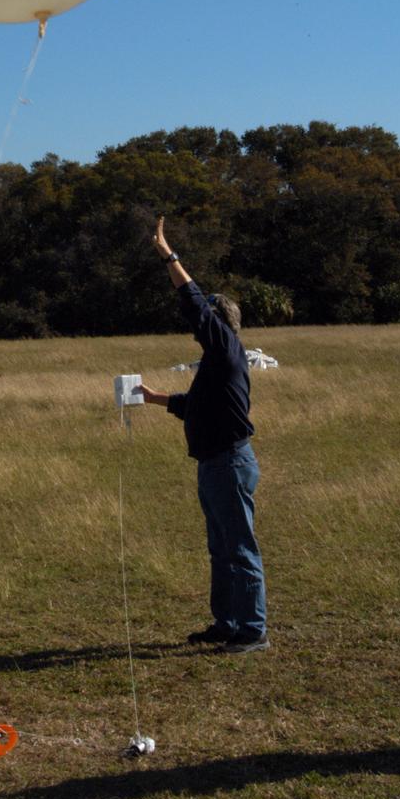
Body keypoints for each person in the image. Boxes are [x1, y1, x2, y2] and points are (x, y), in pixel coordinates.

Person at [140, 217, 269, 653]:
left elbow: (193, 303)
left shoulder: (225, 348)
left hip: (230, 464)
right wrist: (154, 397)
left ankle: (252, 630)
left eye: (206, 320)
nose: (196, 325)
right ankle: (227, 622)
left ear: (218, 323)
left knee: (240, 549)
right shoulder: (216, 364)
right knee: (221, 549)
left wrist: (167, 253)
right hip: (214, 465)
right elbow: (197, 407)